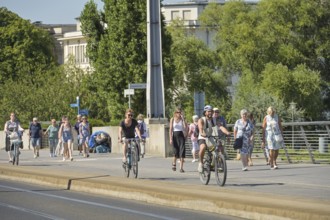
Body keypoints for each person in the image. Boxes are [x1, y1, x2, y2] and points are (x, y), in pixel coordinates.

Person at [197, 105, 230, 173]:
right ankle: (200, 163)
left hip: (211, 137)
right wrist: (203, 134)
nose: (210, 113)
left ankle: (219, 163)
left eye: (211, 111)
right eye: (209, 111)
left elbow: (220, 127)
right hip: (203, 137)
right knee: (202, 147)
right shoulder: (201, 120)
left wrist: (227, 132)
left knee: (219, 146)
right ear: (205, 112)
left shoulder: (214, 120)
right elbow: (200, 129)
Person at [169, 108, 188, 173]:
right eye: (177, 112)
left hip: (181, 136)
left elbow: (185, 127)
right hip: (174, 135)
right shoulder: (172, 119)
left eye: (180, 112)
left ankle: (181, 168)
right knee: (175, 152)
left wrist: (182, 119)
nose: (179, 114)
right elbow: (171, 129)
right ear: (175, 113)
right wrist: (170, 138)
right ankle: (174, 163)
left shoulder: (183, 120)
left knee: (182, 152)